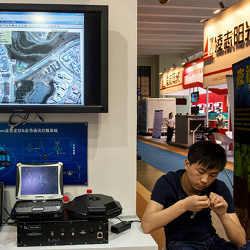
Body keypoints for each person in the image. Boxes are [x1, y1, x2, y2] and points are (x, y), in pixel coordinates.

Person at [141, 141, 249, 250]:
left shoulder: (218, 187)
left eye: (213, 175)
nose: (205, 180)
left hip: (211, 241)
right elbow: (147, 225)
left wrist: (223, 215)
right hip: (180, 244)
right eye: (200, 172)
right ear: (187, 164)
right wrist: (184, 205)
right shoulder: (168, 182)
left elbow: (241, 241)